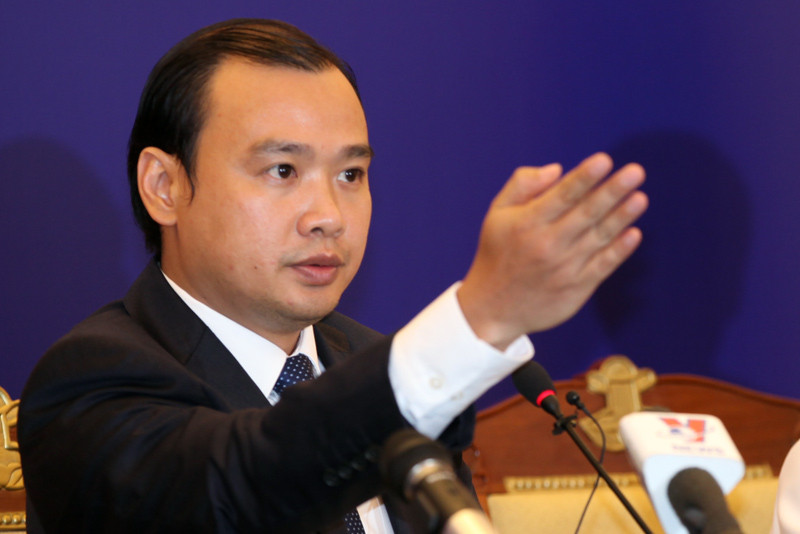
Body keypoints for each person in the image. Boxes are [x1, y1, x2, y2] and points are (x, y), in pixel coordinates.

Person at [18, 18, 648, 534]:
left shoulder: (372, 363)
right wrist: (479, 318)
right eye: (283, 171)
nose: (328, 216)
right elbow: (243, 488)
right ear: (165, 186)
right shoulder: (90, 382)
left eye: (351, 175)